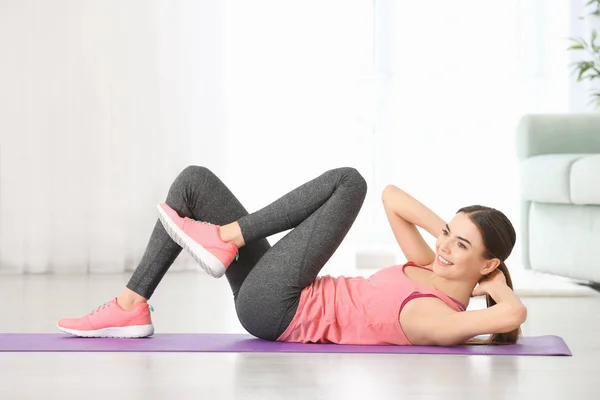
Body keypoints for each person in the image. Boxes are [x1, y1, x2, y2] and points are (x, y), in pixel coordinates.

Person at [57, 166, 527, 346]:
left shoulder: (436, 317)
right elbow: (393, 197)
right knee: (192, 184)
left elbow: (513, 314)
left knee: (349, 183)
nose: (444, 247)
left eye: (461, 246)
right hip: (281, 288)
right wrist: (448, 232)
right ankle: (128, 306)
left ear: (488, 264)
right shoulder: (430, 264)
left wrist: (497, 285)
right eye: (447, 234)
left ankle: (226, 236)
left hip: (280, 310)